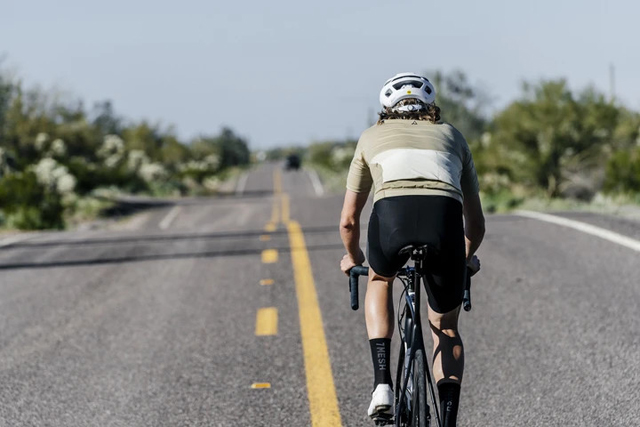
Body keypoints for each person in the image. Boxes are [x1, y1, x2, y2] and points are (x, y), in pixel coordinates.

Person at [339, 72, 485, 426]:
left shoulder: (370, 137)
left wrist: (355, 258)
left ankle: (382, 384)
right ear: (431, 106)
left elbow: (348, 220)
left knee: (380, 279)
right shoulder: (452, 135)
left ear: (386, 108)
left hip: (392, 223)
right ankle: (447, 420)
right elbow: (476, 223)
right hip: (444, 226)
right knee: (445, 327)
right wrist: (464, 258)